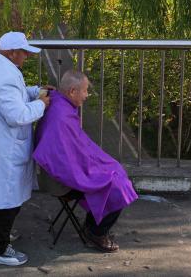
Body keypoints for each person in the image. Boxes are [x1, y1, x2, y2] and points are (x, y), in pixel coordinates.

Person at [0, 31, 53, 266]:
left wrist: (34, 91)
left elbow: (12, 96)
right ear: (12, 52)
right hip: (3, 149)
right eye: (23, 52)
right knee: (7, 201)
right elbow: (17, 114)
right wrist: (41, 104)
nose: (26, 56)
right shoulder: (5, 75)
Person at [33, 69, 138, 252]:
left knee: (114, 172)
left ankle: (93, 226)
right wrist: (94, 170)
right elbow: (68, 161)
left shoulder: (57, 101)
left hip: (52, 174)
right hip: (59, 182)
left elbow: (75, 150)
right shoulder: (61, 116)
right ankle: (96, 233)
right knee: (119, 185)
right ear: (72, 91)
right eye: (85, 90)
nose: (87, 95)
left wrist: (96, 164)